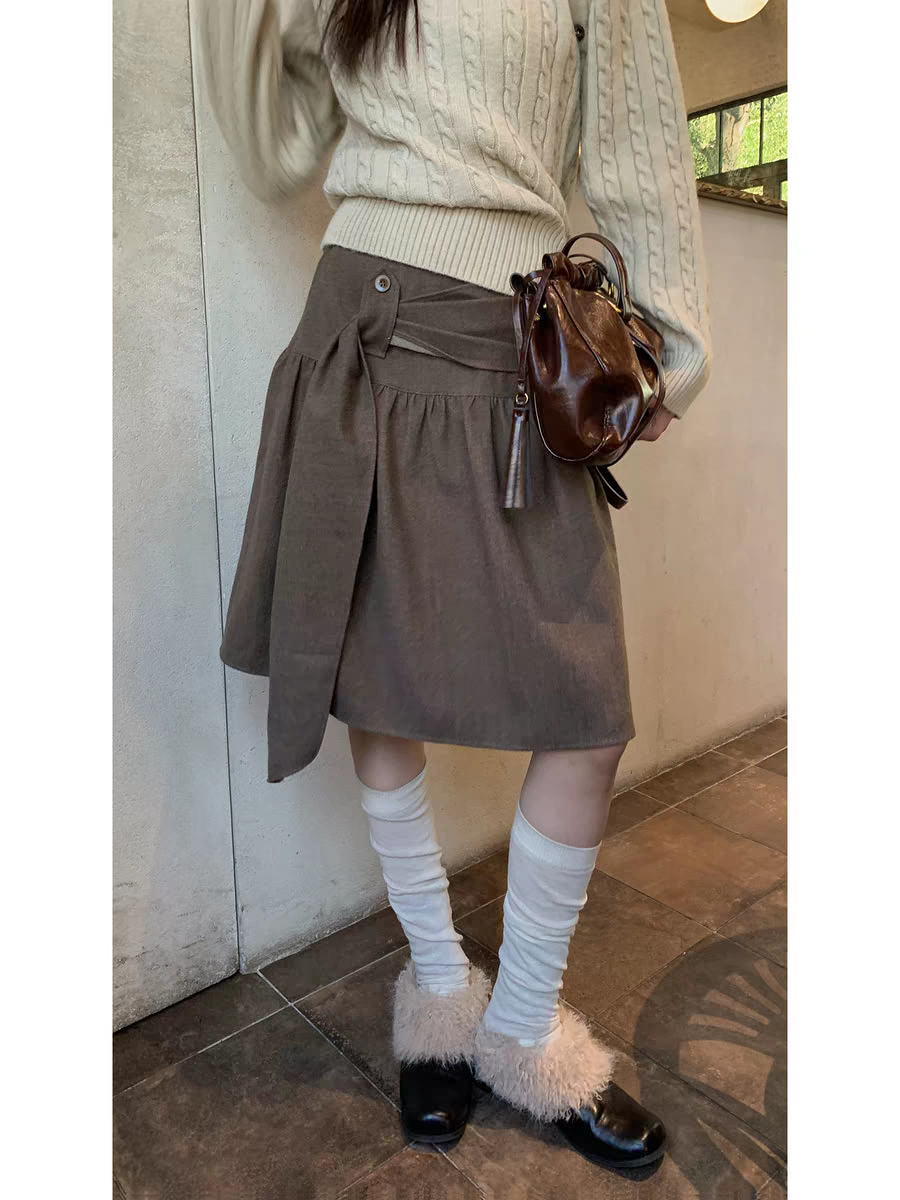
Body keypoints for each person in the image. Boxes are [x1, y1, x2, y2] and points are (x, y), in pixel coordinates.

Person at [196, 0, 712, 1170]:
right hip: (359, 336)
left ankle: (523, 1030)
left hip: (515, 344)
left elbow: (638, 145)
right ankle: (440, 989)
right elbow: (277, 145)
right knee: (379, 681)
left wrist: (669, 351)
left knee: (585, 715)